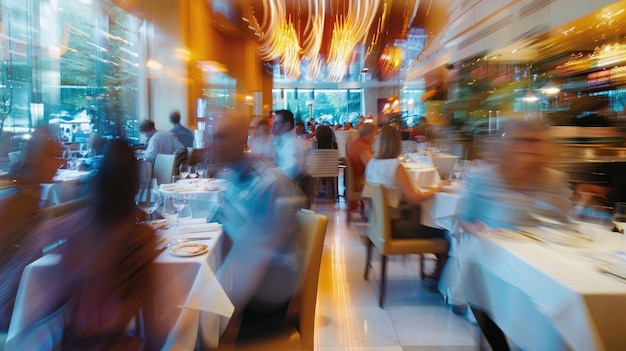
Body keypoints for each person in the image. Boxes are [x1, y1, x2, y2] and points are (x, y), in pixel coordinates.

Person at [5, 140, 164, 350]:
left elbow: (54, 293)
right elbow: (151, 326)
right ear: (134, 184)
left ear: (99, 178)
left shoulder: (76, 227)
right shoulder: (142, 238)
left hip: (72, 343)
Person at [456, 120, 572, 351]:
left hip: (544, 258)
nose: (527, 146)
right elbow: (463, 216)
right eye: (520, 140)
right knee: (474, 279)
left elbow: (564, 222)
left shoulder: (554, 179)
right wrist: (476, 229)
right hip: (496, 257)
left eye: (534, 141)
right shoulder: (485, 177)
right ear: (506, 144)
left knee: (559, 297)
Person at [206, 108, 307, 340]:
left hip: (270, 298)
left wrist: (214, 307)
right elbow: (216, 226)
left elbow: (250, 262)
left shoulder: (265, 186)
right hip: (251, 284)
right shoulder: (229, 178)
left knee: (190, 321)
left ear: (241, 138)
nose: (214, 144)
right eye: (213, 137)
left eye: (221, 137)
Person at [364, 126, 449, 289]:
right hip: (395, 227)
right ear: (397, 144)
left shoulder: (371, 163)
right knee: (445, 231)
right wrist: (437, 187)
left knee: (424, 218)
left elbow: (388, 197)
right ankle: (438, 278)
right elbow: (414, 198)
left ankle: (437, 275)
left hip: (378, 225)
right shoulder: (396, 166)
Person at [0, 127, 65, 330]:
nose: (61, 162)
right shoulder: (16, 203)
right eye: (54, 156)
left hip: (23, 297)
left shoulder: (31, 197)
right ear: (38, 159)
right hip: (11, 308)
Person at [346, 122, 377, 212]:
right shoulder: (362, 146)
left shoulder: (357, 143)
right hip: (360, 181)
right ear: (369, 134)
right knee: (386, 184)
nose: (374, 138)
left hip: (356, 179)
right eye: (374, 135)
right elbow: (371, 166)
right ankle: (380, 215)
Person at [270, 109, 306, 179]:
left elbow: (292, 171)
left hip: (287, 187)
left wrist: (267, 171)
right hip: (279, 184)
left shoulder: (292, 144)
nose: (273, 126)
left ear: (287, 125)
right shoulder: (279, 142)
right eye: (273, 123)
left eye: (276, 123)